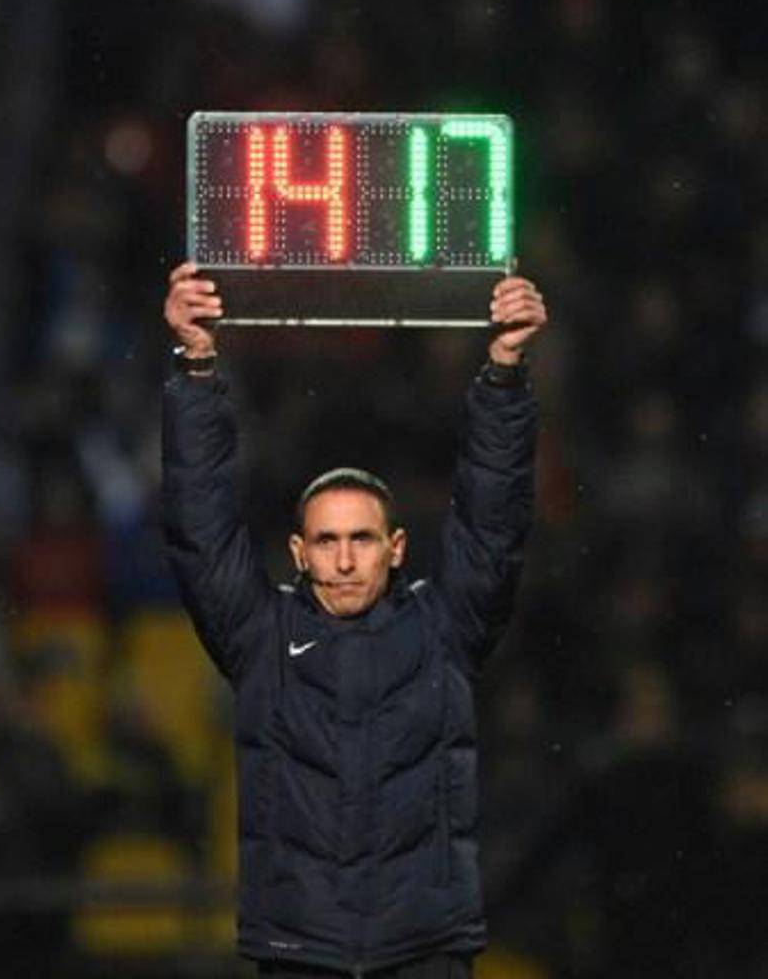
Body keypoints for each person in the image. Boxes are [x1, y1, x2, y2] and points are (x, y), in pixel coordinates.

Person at [162, 262, 547, 978]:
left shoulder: (445, 631)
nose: (344, 559)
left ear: (395, 548)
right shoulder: (260, 640)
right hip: (300, 952)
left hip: (424, 951)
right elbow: (199, 526)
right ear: (299, 553)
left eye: (362, 539)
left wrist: (504, 371)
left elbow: (495, 524)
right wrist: (196, 367)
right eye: (328, 542)